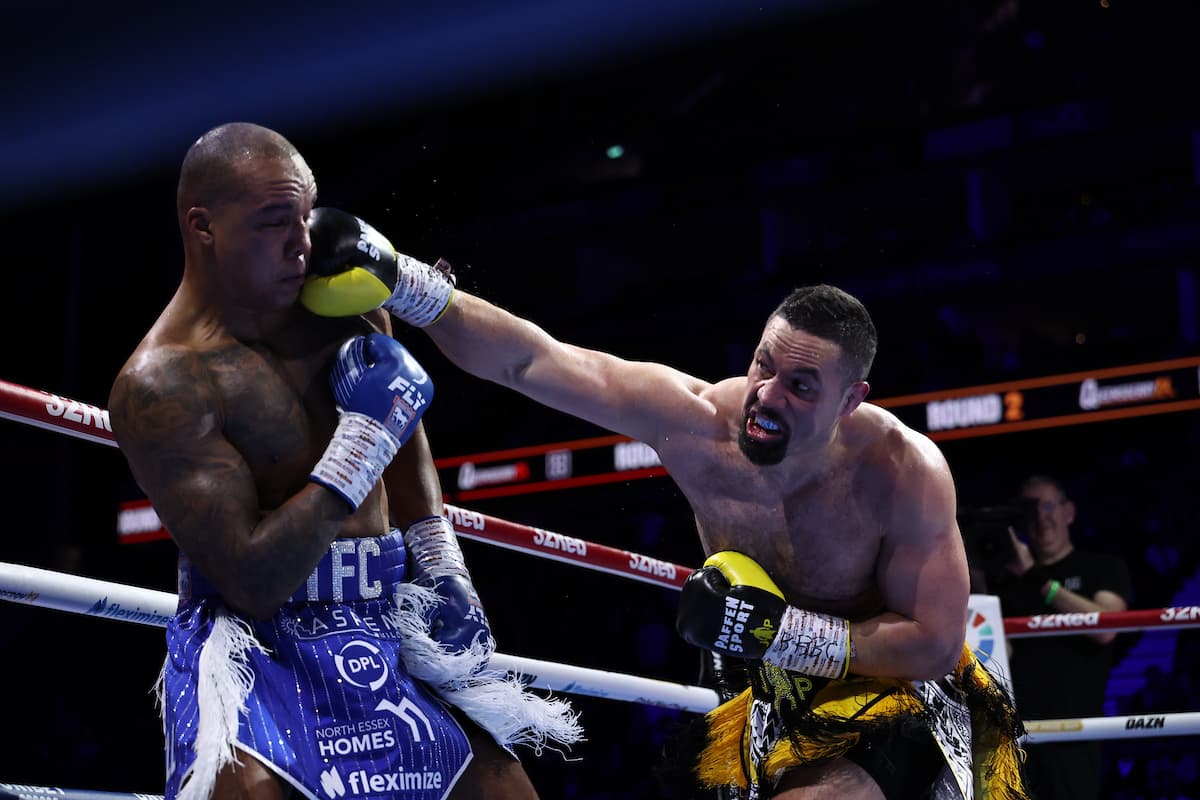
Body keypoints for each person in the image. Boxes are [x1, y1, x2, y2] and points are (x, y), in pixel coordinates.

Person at [298, 207, 1033, 800]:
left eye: (801, 387)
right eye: (763, 366)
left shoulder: (903, 472)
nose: (766, 399)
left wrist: (783, 633)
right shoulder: (696, 423)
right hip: (765, 699)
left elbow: (935, 643)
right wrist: (405, 280)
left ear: (852, 400)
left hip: (894, 699)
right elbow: (534, 359)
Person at [108, 123, 579, 800]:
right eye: (274, 222)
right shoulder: (164, 384)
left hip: (386, 624)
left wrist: (440, 558)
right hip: (258, 652)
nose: (302, 242)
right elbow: (254, 579)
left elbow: (404, 438)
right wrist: (360, 443)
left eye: (305, 213)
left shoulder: (341, 306)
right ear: (202, 227)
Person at [998, 474, 1132, 800]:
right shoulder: (1005, 581)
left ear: (1068, 512)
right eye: (1030, 509)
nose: (1041, 517)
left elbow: (1106, 628)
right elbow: (998, 655)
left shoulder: (1101, 567)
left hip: (1075, 736)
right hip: (1019, 736)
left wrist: (1038, 581)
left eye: (1047, 506)